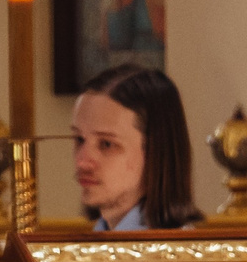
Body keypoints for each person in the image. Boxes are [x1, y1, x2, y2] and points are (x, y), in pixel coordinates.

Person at [72, 63, 199, 230]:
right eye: (79, 139)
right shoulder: (99, 236)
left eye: (107, 144)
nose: (82, 162)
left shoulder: (175, 252)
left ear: (155, 153)